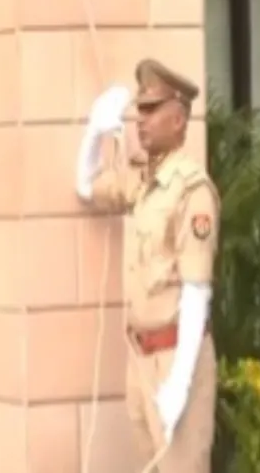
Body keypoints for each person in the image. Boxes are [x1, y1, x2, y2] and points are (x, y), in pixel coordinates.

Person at [76, 59, 217, 472]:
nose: (141, 120)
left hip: (175, 356)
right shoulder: (142, 182)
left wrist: (181, 381)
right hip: (141, 357)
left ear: (178, 119)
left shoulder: (191, 191)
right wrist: (94, 132)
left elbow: (196, 291)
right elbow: (85, 186)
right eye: (140, 109)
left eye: (152, 110)